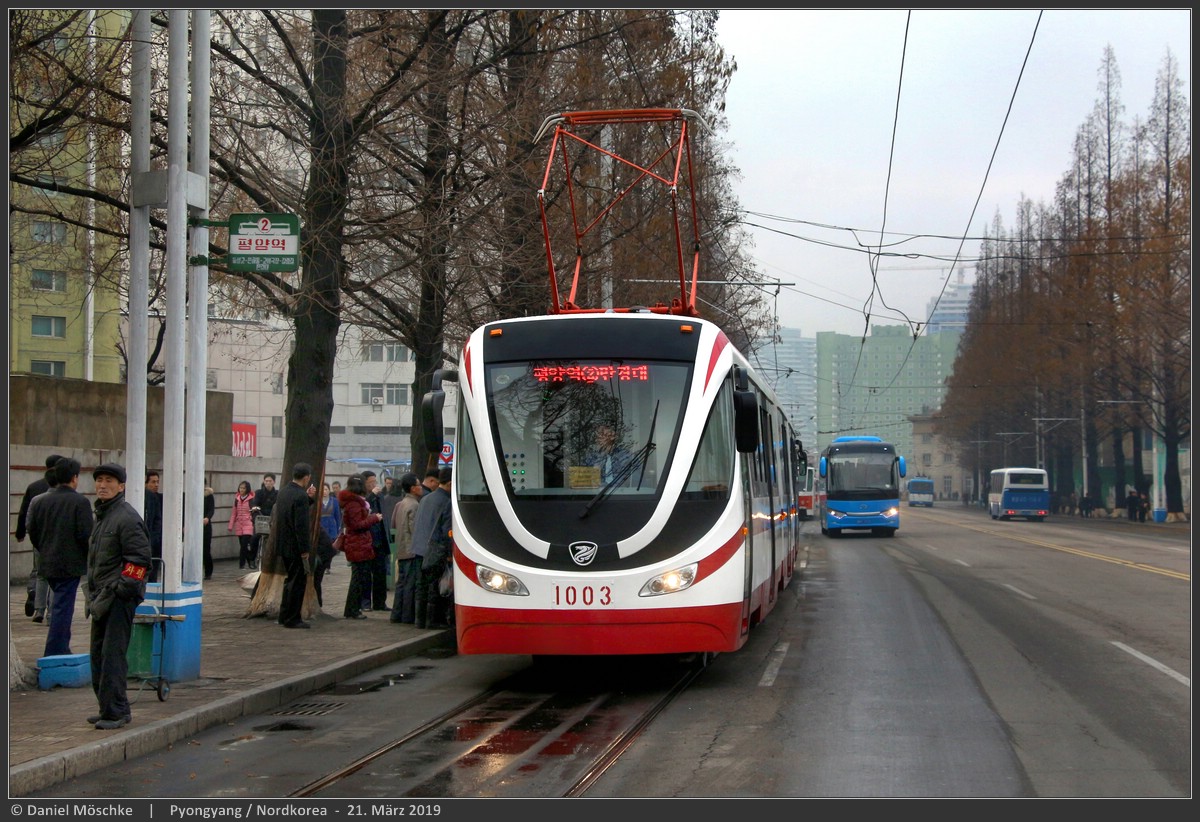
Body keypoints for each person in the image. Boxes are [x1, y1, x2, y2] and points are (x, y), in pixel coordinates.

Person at [87, 462, 151, 730]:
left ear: (121, 486)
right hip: (100, 597)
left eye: (109, 481)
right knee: (98, 656)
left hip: (117, 598)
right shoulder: (103, 516)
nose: (102, 485)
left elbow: (139, 560)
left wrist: (121, 590)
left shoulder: (126, 517)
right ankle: (112, 707)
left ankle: (114, 712)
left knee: (112, 655)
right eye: (99, 480)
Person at [26, 457, 93, 658]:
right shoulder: (80, 502)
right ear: (74, 478)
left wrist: (45, 549)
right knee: (63, 608)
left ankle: (61, 646)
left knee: (60, 606)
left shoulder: (39, 501)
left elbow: (33, 532)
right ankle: (55, 650)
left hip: (47, 562)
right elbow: (85, 535)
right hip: (70, 564)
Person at [16, 453, 63, 622]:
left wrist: (22, 533)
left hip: (40, 540)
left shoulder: (34, 488)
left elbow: (25, 515)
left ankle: (38, 608)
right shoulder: (64, 492)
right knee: (56, 576)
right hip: (59, 540)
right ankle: (51, 614)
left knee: (40, 573)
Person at [274, 463, 314, 630]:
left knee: (289, 581)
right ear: (306, 478)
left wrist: (309, 499)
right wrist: (305, 549)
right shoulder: (300, 496)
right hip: (296, 546)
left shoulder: (283, 491)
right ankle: (292, 618)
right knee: (297, 583)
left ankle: (284, 615)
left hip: (283, 543)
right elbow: (301, 525)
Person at [338, 473, 383, 621]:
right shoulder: (354, 504)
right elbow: (357, 524)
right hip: (357, 543)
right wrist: (373, 519)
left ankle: (353, 608)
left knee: (359, 577)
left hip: (359, 543)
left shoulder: (354, 502)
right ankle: (352, 609)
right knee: (358, 578)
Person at [414, 467, 453, 630]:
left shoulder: (426, 498)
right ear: (451, 483)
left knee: (422, 587)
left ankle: (420, 620)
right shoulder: (447, 502)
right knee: (437, 587)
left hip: (419, 548)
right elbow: (447, 531)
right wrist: (449, 553)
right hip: (436, 550)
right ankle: (434, 620)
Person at [388, 473, 424, 625]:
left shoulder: (401, 503)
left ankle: (396, 614)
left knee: (401, 584)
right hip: (411, 550)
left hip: (401, 548)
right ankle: (407, 616)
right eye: (418, 484)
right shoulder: (414, 505)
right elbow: (415, 529)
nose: (421, 487)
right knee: (410, 584)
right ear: (413, 488)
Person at [361, 470, 390, 612]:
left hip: (379, 539)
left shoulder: (379, 496)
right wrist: (371, 495)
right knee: (366, 574)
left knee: (380, 573)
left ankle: (380, 602)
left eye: (374, 481)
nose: (373, 484)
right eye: (370, 482)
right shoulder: (362, 497)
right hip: (367, 541)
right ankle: (365, 602)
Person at [249, 473, 278, 569]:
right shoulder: (259, 493)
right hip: (261, 518)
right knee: (254, 538)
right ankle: (252, 559)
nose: (268, 483)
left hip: (272, 519)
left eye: (270, 481)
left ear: (274, 482)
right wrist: (254, 509)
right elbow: (254, 504)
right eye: (266, 481)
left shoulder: (277, 493)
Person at [229, 480, 255, 569]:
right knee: (242, 545)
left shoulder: (251, 499)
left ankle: (241, 564)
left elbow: (253, 512)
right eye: (240, 488)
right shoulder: (237, 499)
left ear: (247, 489)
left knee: (244, 544)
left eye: (244, 488)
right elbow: (234, 513)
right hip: (239, 524)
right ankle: (251, 561)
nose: (242, 490)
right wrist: (230, 525)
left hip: (248, 523)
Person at [143, 470, 164, 582]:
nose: (156, 485)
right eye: (153, 482)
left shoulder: (159, 498)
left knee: (152, 573)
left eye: (157, 482)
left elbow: (157, 521)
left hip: (154, 541)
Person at [201, 485, 216, 580]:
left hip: (205, 526)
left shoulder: (209, 495)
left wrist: (207, 517)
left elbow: (211, 509)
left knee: (206, 550)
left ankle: (208, 572)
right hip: (193, 525)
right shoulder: (190, 493)